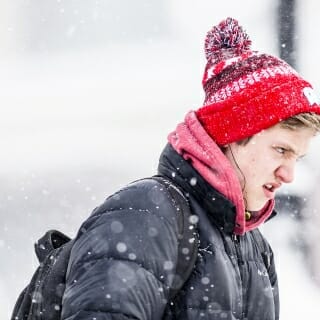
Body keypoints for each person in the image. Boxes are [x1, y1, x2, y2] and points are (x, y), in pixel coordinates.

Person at [61, 18, 320, 319]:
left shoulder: (255, 250)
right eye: (281, 150)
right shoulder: (146, 213)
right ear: (232, 137)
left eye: (296, 158)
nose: (289, 174)